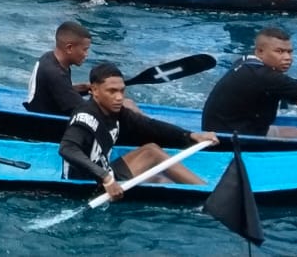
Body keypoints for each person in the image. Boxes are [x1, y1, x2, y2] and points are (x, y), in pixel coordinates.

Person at [60, 62, 219, 198]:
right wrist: (106, 178)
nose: (119, 97)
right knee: (152, 152)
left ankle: (197, 198)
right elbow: (67, 149)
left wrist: (191, 135)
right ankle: (210, 195)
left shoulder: (115, 111)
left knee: (158, 177)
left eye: (122, 90)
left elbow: (150, 125)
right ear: (94, 91)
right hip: (86, 180)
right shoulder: (85, 116)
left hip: (105, 171)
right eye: (112, 91)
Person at [201, 27, 297, 139]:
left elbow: (295, 98)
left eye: (289, 52)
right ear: (260, 52)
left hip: (226, 128)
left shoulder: (247, 63)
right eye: (279, 51)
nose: (287, 57)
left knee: (296, 132)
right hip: (228, 138)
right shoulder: (264, 75)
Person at [25, 21, 103, 116]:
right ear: (69, 48)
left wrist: (86, 87)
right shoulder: (55, 74)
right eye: (85, 49)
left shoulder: (49, 57)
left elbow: (63, 89)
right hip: (43, 120)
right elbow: (84, 110)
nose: (86, 54)